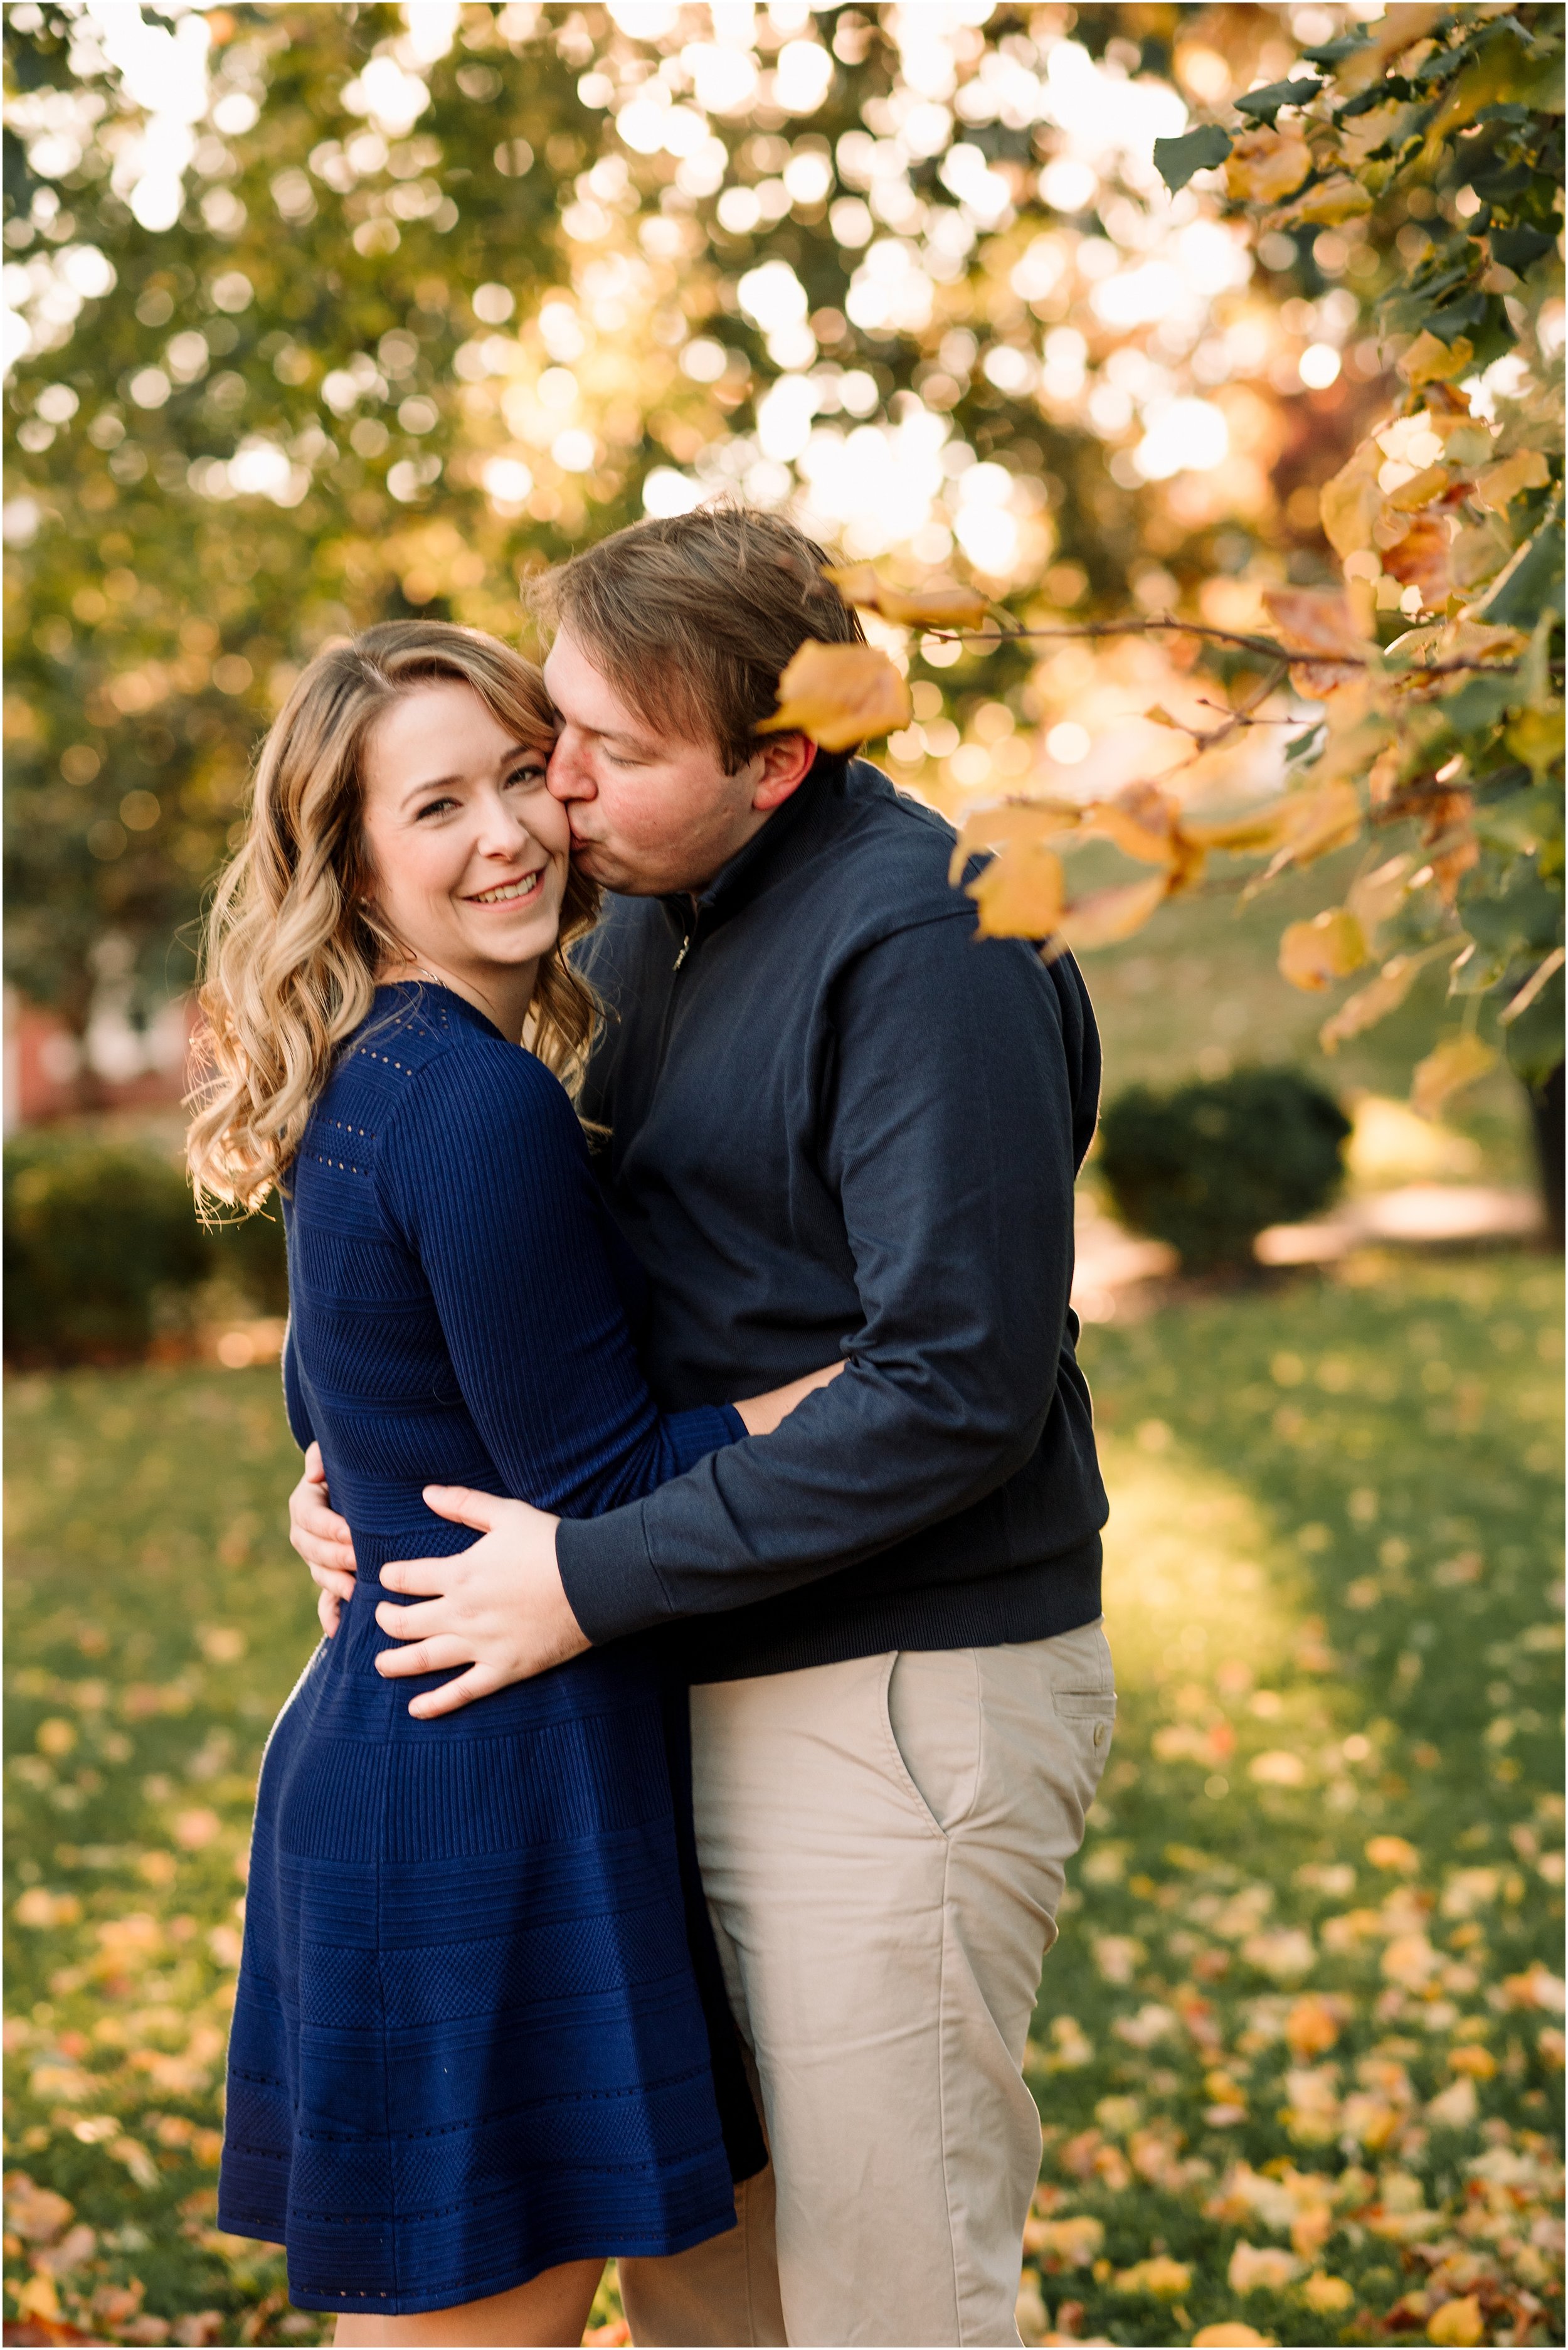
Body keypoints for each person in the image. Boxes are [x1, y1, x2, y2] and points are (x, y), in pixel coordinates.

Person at [290, 509, 1115, 2350]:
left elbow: (955, 1386)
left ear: (775, 761)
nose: (552, 796)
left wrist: (580, 1572)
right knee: (707, 2294)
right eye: (540, 738)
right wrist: (355, 1453)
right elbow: (566, 1265)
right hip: (666, 1685)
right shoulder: (659, 919)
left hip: (892, 1693)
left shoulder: (934, 933)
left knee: (879, 2299)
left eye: (593, 753)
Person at [188, 618, 857, 2347]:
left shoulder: (386, 1076)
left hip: (456, 1753)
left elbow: (331, 1387)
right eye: (436, 808)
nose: (507, 833)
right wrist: (849, 1392)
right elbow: (611, 1476)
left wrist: (339, 1479)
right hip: (478, 1801)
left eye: (518, 775)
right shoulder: (468, 1100)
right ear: (349, 866)